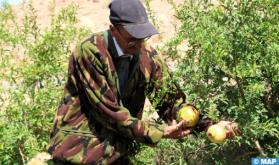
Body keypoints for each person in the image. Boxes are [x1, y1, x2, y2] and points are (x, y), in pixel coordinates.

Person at [46, 0, 241, 164]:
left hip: (116, 156)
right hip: (76, 154)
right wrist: (161, 132)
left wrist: (209, 125)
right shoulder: (90, 51)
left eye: (143, 37)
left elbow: (171, 103)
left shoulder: (147, 56)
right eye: (132, 39)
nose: (139, 45)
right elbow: (109, 112)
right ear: (113, 30)